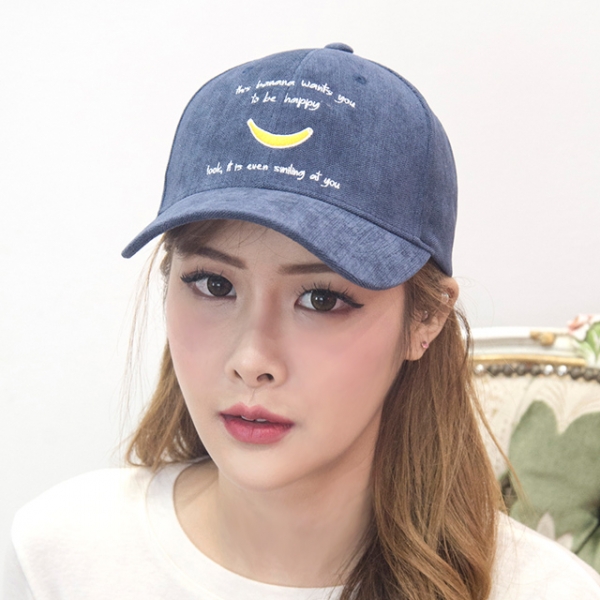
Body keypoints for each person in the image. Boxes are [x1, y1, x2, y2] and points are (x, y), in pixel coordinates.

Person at [4, 43, 600, 600]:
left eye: (320, 299)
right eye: (214, 284)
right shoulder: (59, 556)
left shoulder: (545, 591)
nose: (252, 361)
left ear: (426, 318)